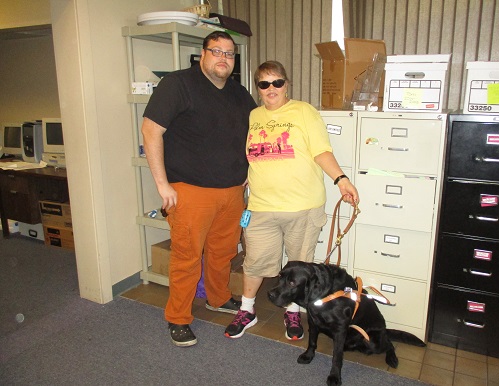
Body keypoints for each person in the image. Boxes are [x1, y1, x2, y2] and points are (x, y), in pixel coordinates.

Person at [224, 61, 359, 340]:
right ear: (258, 88)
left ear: (287, 84)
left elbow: (321, 151)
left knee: (300, 265)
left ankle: (293, 312)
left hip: (303, 206)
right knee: (255, 261)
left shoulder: (304, 112)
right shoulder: (253, 116)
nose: (271, 89)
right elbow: (252, 154)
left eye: (277, 82)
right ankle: (247, 310)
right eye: (264, 84)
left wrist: (341, 179)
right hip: (261, 206)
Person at [141, 31, 257, 347]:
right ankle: (178, 318)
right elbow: (151, 130)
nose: (223, 58)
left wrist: (251, 169)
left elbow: (255, 131)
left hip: (232, 191)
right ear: (202, 54)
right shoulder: (178, 85)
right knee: (187, 258)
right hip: (189, 190)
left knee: (223, 252)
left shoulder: (238, 93)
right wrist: (162, 184)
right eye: (216, 51)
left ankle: (217, 299)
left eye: (230, 54)